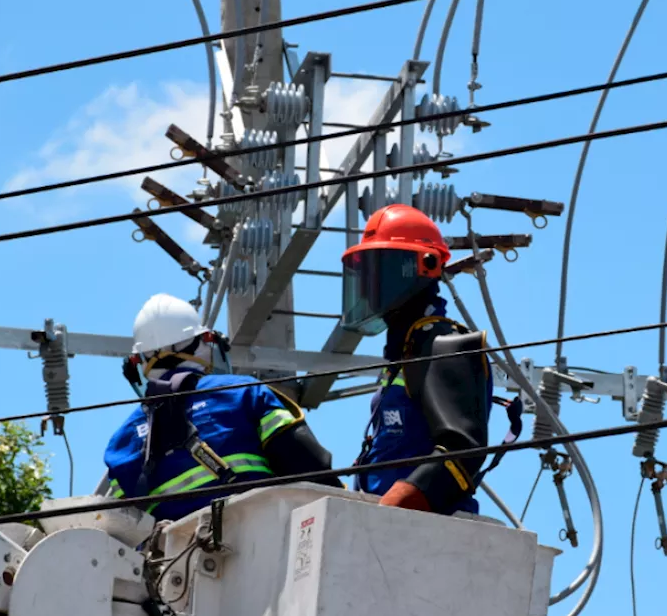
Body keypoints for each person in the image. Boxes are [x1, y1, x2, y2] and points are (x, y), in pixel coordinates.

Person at [104, 293, 340, 521]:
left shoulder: (122, 442)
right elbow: (310, 467)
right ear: (206, 342)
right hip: (262, 539)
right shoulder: (245, 393)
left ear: (138, 364)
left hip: (175, 558)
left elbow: (119, 531)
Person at [341, 204, 500, 515]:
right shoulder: (406, 354)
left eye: (379, 268)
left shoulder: (443, 345)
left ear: (421, 266)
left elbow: (464, 449)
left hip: (427, 533)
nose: (368, 285)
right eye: (366, 272)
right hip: (386, 530)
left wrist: (392, 509)